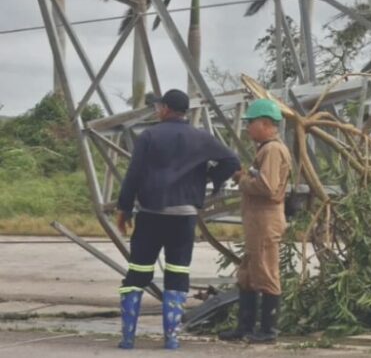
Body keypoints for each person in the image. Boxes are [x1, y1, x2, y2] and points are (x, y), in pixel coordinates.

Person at [116, 89, 240, 350]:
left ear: (165, 109)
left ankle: (128, 338)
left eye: (159, 106)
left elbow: (134, 174)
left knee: (137, 271)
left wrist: (124, 208)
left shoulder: (149, 136)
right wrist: (209, 179)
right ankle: (171, 339)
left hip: (151, 214)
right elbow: (231, 160)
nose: (158, 110)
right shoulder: (201, 138)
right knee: (177, 272)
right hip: (184, 218)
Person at [219, 98, 292, 344]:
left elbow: (268, 186)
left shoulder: (272, 150)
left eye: (251, 123)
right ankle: (245, 327)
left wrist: (242, 180)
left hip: (265, 220)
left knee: (266, 272)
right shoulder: (266, 148)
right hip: (257, 221)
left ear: (266, 123)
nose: (248, 128)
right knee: (248, 274)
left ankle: (268, 330)